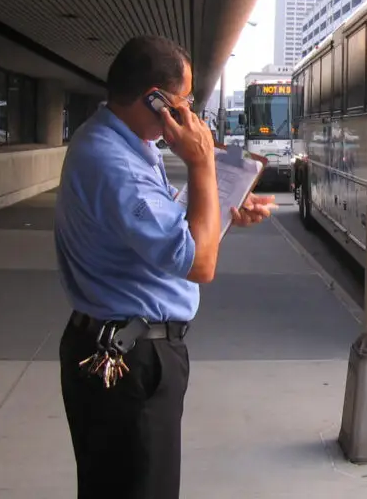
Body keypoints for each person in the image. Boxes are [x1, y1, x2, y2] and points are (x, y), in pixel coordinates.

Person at [54, 34, 276, 499]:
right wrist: (201, 165)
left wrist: (224, 209)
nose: (190, 115)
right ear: (155, 100)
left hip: (126, 347)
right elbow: (199, 263)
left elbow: (177, 229)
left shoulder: (128, 145)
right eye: (184, 102)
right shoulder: (113, 162)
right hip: (130, 360)